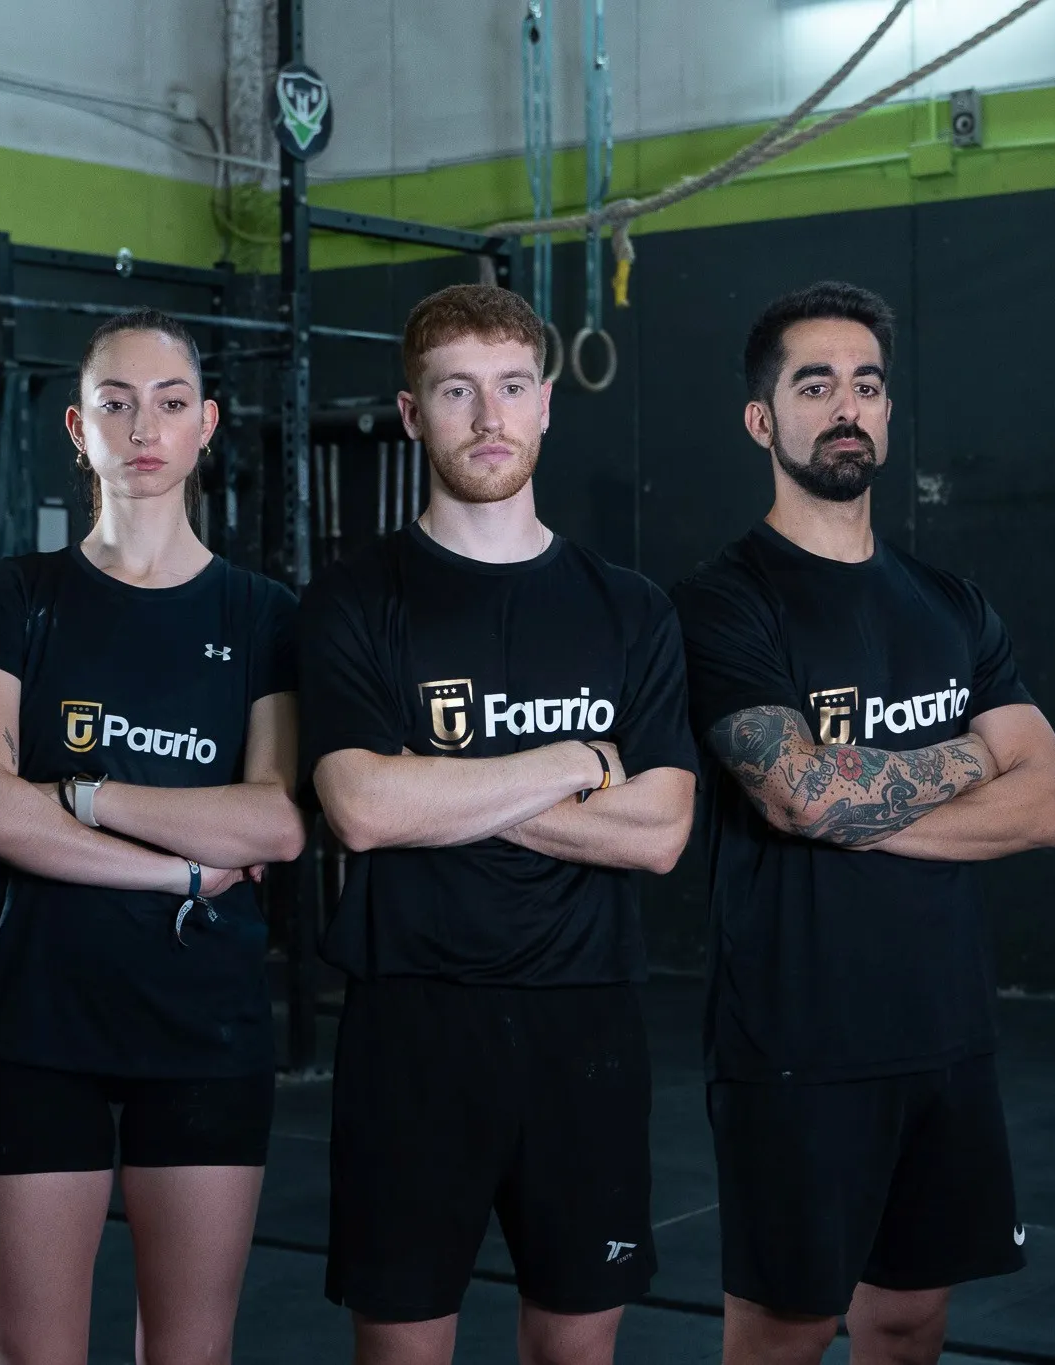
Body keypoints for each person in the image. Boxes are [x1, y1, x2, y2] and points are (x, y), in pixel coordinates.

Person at [670, 281, 1055, 1365]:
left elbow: (1046, 806)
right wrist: (969, 757)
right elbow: (798, 792)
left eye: (865, 385)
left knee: (908, 1317)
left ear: (886, 415)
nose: (845, 406)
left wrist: (855, 806)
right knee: (785, 1328)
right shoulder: (724, 601)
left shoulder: (947, 602)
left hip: (941, 1031)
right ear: (763, 421)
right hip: (796, 1040)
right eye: (814, 385)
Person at [298, 283, 698, 1365]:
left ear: (546, 405)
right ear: (410, 411)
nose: (487, 416)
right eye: (456, 390)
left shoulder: (629, 608)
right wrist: (571, 764)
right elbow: (362, 810)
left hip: (585, 1029)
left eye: (511, 387)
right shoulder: (351, 598)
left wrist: (447, 787)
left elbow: (659, 830)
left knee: (576, 1350)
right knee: (401, 1353)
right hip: (412, 1029)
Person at [0, 309, 306, 1365]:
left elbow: (274, 819)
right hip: (34, 1019)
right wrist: (186, 869)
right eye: (114, 403)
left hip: (202, 1027)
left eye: (168, 402)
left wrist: (84, 795)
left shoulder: (262, 613)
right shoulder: (17, 596)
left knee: (189, 1352)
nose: (141, 425)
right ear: (77, 427)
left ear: (206, 425)